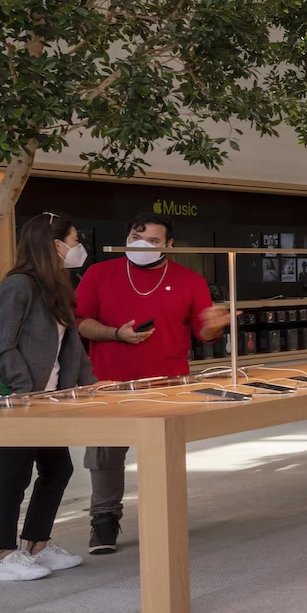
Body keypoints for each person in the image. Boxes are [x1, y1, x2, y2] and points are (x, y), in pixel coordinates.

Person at [72, 215, 230, 553]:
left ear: (168, 246)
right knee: (103, 456)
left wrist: (216, 325)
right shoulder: (100, 274)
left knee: (162, 455)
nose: (141, 246)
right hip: (108, 381)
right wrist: (116, 334)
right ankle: (104, 521)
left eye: (153, 242)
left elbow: (202, 333)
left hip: (168, 383)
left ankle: (163, 518)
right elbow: (80, 321)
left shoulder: (189, 280)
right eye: (134, 237)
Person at [0, 213, 95, 581]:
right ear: (56, 244)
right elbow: (1, 343)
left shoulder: (54, 286)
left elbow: (69, 346)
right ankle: (1, 553)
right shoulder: (18, 286)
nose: (78, 248)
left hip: (47, 400)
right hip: (19, 400)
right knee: (13, 474)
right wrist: (22, 390)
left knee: (58, 469)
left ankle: (35, 544)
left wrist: (88, 383)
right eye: (75, 240)